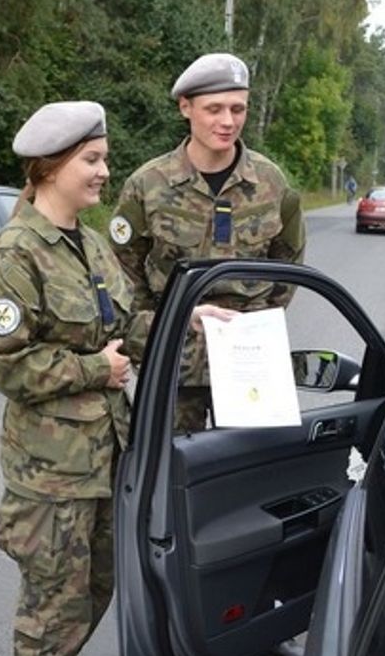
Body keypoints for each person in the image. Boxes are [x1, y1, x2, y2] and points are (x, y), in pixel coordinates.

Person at [0, 101, 230, 656]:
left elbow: (121, 323)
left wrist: (187, 316)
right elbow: (4, 364)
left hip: (106, 455)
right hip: (50, 471)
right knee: (53, 593)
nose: (103, 172)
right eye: (92, 160)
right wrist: (98, 370)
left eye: (104, 159)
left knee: (96, 586)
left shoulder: (88, 243)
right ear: (51, 166)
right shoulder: (14, 255)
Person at [108, 52, 307, 431]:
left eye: (238, 108)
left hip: (250, 368)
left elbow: (289, 266)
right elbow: (123, 278)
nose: (228, 121)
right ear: (186, 107)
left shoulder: (271, 184)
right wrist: (158, 331)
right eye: (214, 109)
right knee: (176, 480)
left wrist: (254, 322)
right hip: (172, 366)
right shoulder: (147, 186)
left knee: (249, 479)